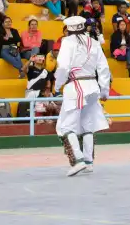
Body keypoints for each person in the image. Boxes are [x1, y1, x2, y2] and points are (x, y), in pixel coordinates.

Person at [54, 15, 112, 176]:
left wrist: (57, 85)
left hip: (76, 85)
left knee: (64, 126)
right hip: (93, 86)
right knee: (87, 124)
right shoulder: (93, 42)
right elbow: (104, 68)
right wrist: (105, 90)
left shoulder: (67, 42)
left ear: (68, 29)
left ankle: (78, 160)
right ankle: (88, 162)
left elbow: (64, 67)